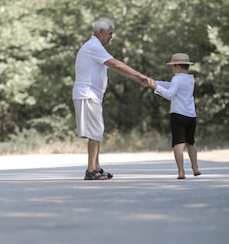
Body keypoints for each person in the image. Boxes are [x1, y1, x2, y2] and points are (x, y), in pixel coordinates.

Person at [73, 18, 151, 180]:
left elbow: (115, 66)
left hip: (91, 95)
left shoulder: (94, 47)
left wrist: (137, 79)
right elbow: (116, 64)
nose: (112, 37)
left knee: (97, 130)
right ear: (100, 32)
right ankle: (91, 170)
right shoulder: (94, 46)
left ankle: (96, 167)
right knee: (95, 131)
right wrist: (138, 75)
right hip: (87, 94)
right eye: (110, 33)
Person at [149, 53, 201, 179]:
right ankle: (195, 167)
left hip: (178, 114)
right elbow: (171, 85)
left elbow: (170, 93)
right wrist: (155, 82)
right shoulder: (190, 79)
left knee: (179, 143)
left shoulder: (176, 79)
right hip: (191, 115)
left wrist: (156, 87)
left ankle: (181, 171)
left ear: (177, 66)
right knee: (190, 142)